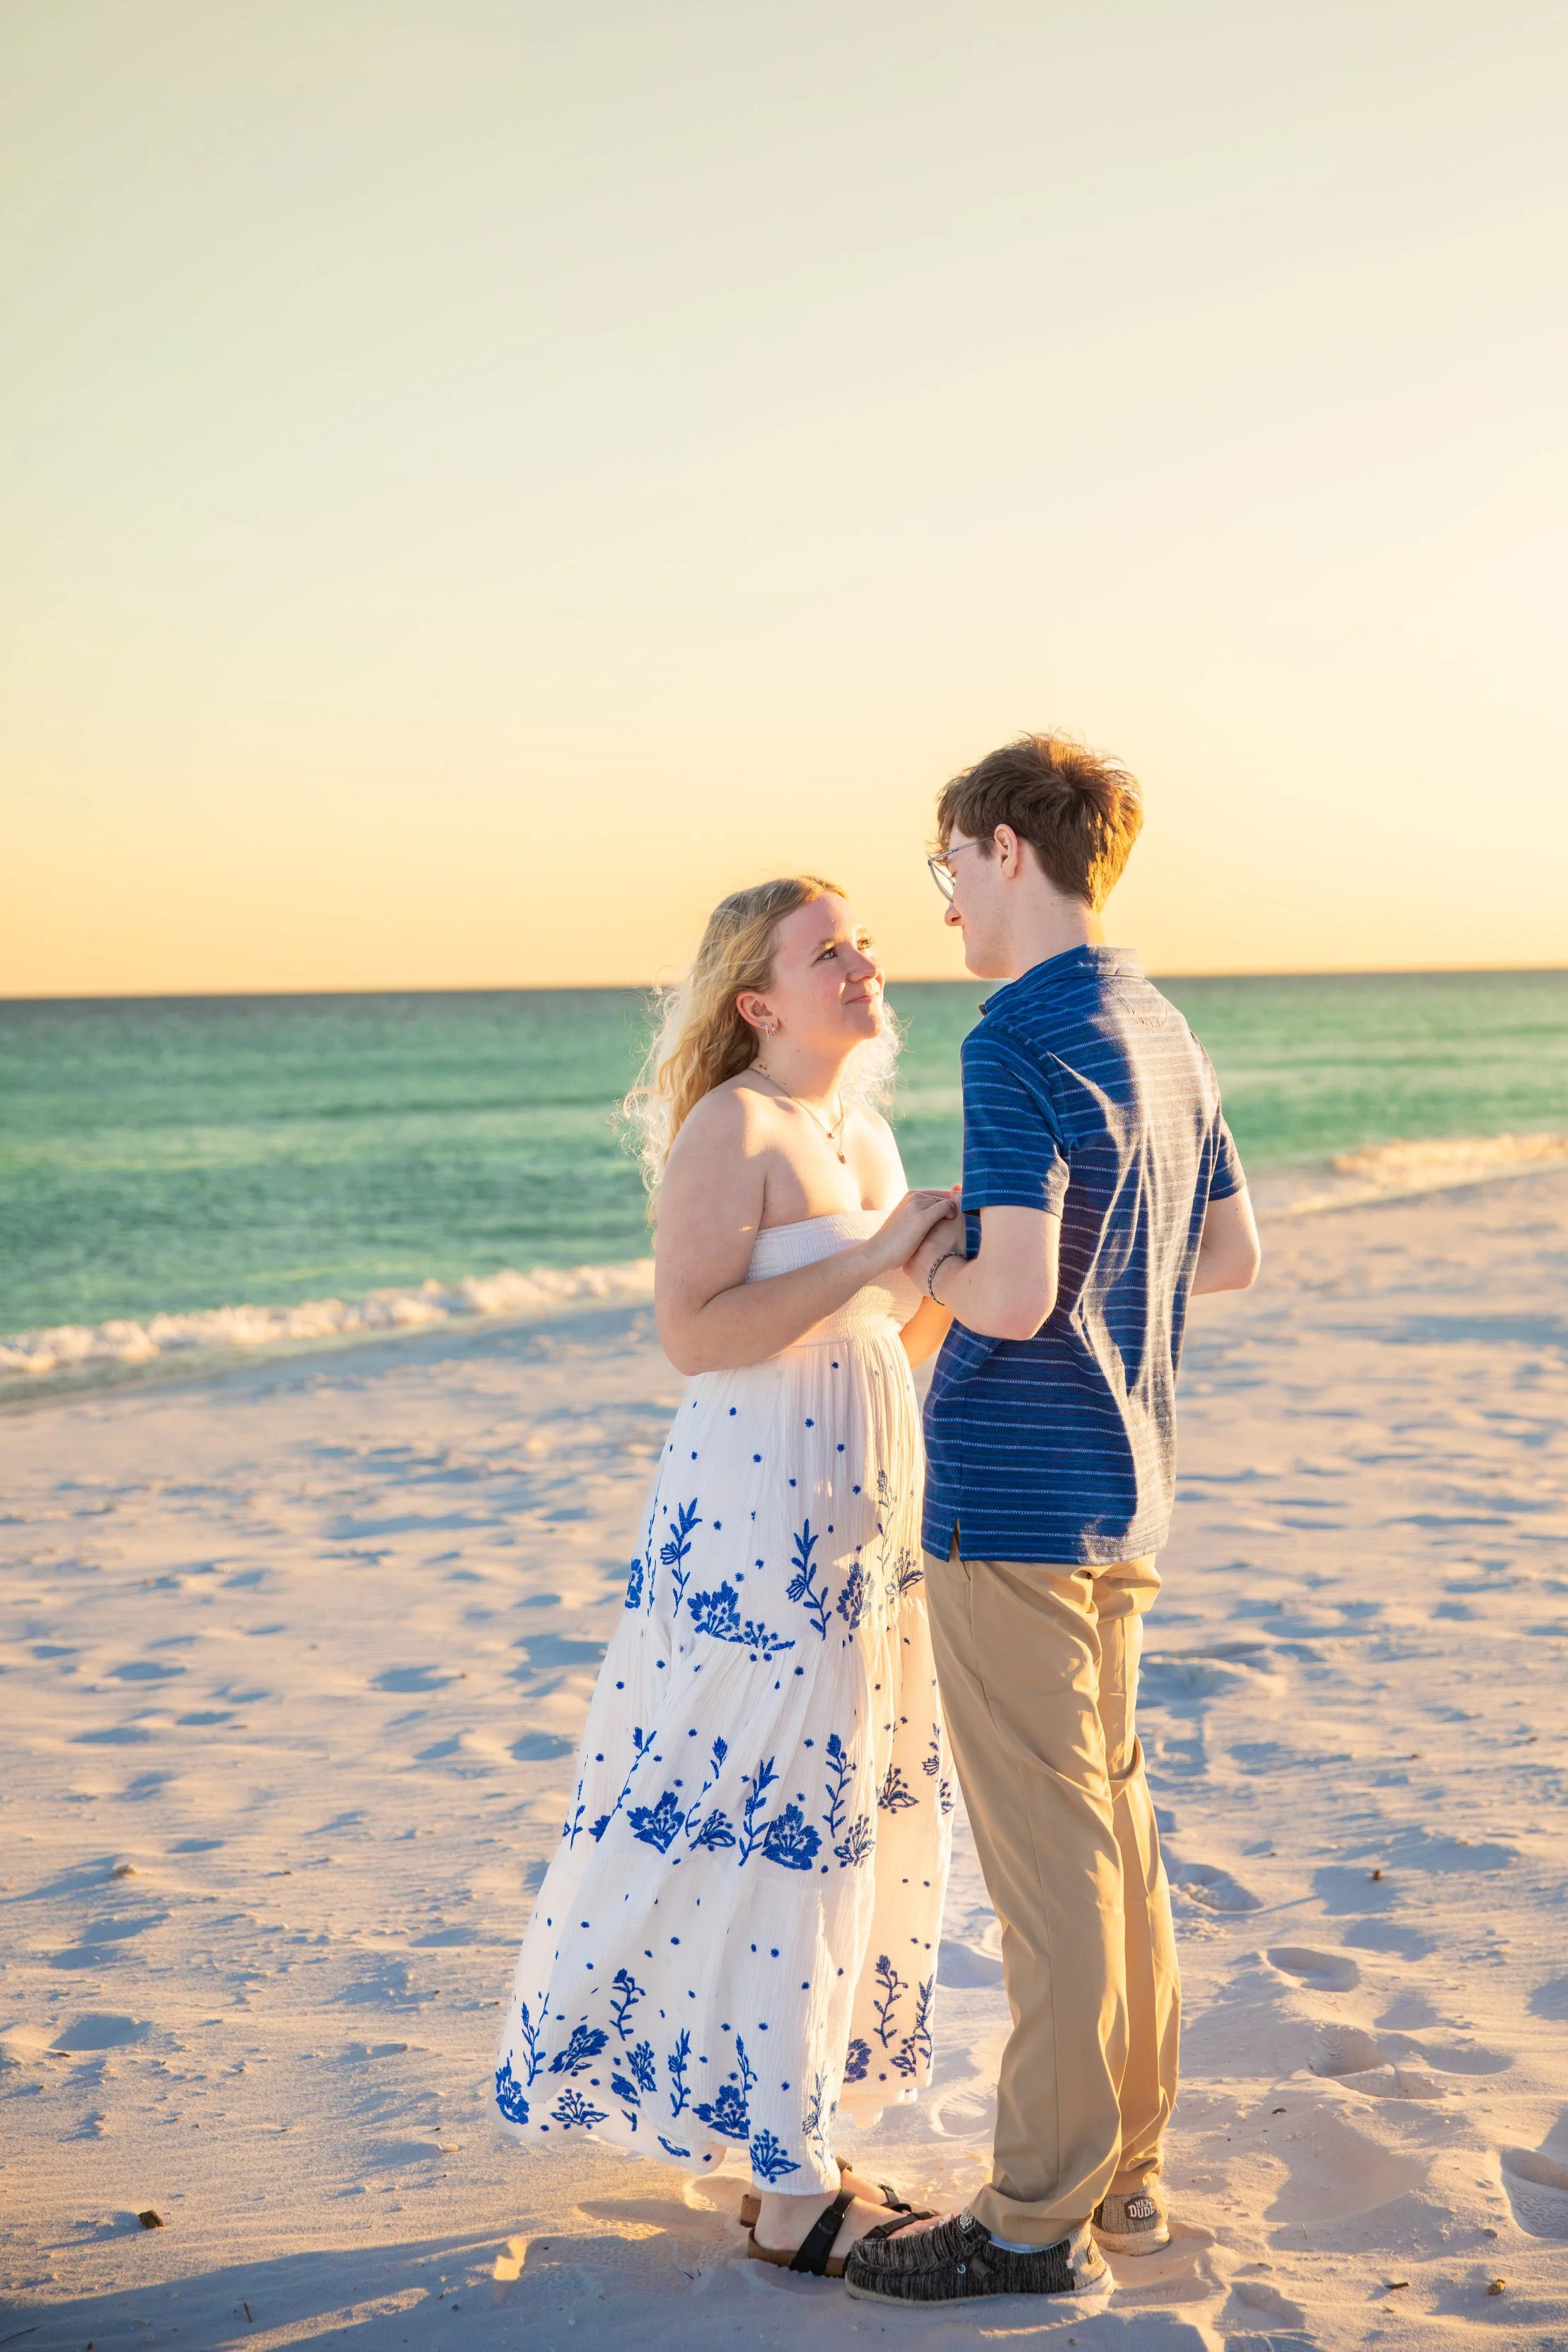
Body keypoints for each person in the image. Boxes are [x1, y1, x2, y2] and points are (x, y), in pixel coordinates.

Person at [843, 735, 1262, 2312]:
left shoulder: (1012, 1036)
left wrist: (919, 1258)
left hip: (1007, 1500)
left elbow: (1008, 1294)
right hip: (1123, 1488)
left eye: (946, 865)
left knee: (1050, 1869)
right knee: (1116, 1841)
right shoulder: (1157, 1024)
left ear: (1005, 850)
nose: (942, 903)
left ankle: (1031, 2221)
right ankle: (1128, 2173)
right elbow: (1227, 1257)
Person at [492, 876, 959, 2280]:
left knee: (850, 1808)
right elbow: (694, 1335)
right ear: (758, 1001)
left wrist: (929, 1267)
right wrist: (884, 1249)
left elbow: (890, 1339)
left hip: (865, 1502)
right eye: (831, 950)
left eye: (863, 940)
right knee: (767, 1809)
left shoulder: (861, 1132)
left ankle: (783, 2132)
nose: (864, 960)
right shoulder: (731, 1126)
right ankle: (789, 2179)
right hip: (755, 1511)